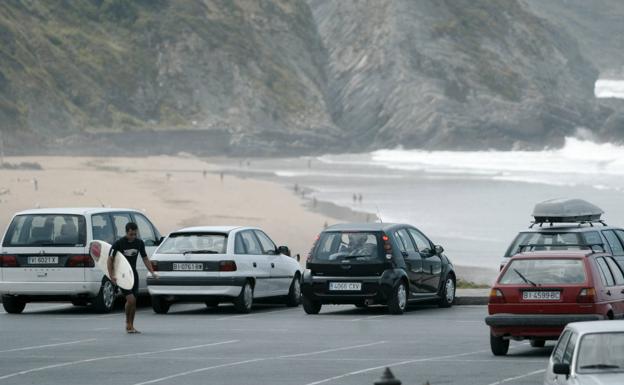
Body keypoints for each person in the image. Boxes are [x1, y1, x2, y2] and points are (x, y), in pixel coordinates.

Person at [108, 222, 158, 334]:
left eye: (135, 234)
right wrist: (112, 275)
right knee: (130, 299)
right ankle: (127, 323)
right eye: (131, 234)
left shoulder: (139, 243)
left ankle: (131, 325)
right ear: (126, 232)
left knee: (133, 302)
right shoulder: (119, 243)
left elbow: (145, 258)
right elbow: (109, 259)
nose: (133, 237)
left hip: (133, 274)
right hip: (122, 274)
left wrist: (152, 272)